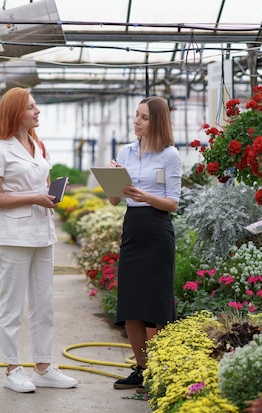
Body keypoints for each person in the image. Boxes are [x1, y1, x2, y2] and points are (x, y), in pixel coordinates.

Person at [0, 87, 78, 393]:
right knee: (12, 305)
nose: (37, 111)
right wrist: (35, 197)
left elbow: (42, 184)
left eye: (36, 106)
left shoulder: (37, 145)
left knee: (44, 304)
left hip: (42, 232)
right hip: (14, 235)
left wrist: (49, 194)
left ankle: (42, 366)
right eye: (31, 107)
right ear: (16, 114)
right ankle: (13, 368)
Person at [108, 96, 182, 393]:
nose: (136, 121)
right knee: (131, 305)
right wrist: (113, 179)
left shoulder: (169, 155)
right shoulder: (125, 152)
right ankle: (141, 368)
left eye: (144, 117)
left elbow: (173, 203)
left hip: (156, 228)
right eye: (136, 116)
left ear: (157, 122)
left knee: (155, 304)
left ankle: (158, 370)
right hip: (132, 229)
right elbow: (114, 200)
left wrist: (144, 196)